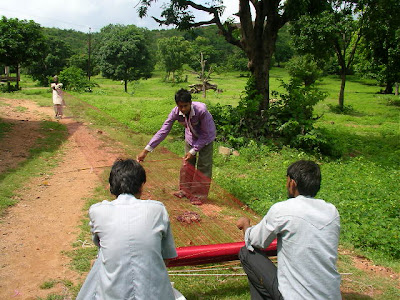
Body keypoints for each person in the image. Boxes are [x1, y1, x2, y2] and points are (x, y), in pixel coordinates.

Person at [236, 160, 341, 300]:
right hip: (330, 296)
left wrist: (245, 225)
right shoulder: (331, 212)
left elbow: (255, 241)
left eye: (287, 181)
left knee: (247, 253)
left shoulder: (283, 209)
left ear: (293, 183)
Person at [76, 159, 178, 300]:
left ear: (112, 186)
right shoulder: (158, 209)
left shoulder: (97, 211)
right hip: (155, 294)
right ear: (141, 186)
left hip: (110, 294)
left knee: (101, 260)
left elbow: (100, 245)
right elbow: (167, 257)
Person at [137, 88, 216, 206]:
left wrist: (193, 151)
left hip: (206, 138)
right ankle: (185, 190)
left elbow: (205, 135)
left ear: (190, 103)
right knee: (187, 164)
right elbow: (163, 131)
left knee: (203, 166)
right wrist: (146, 150)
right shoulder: (175, 112)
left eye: (185, 106)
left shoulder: (201, 111)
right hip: (190, 137)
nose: (183, 109)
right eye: (180, 106)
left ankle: (199, 195)